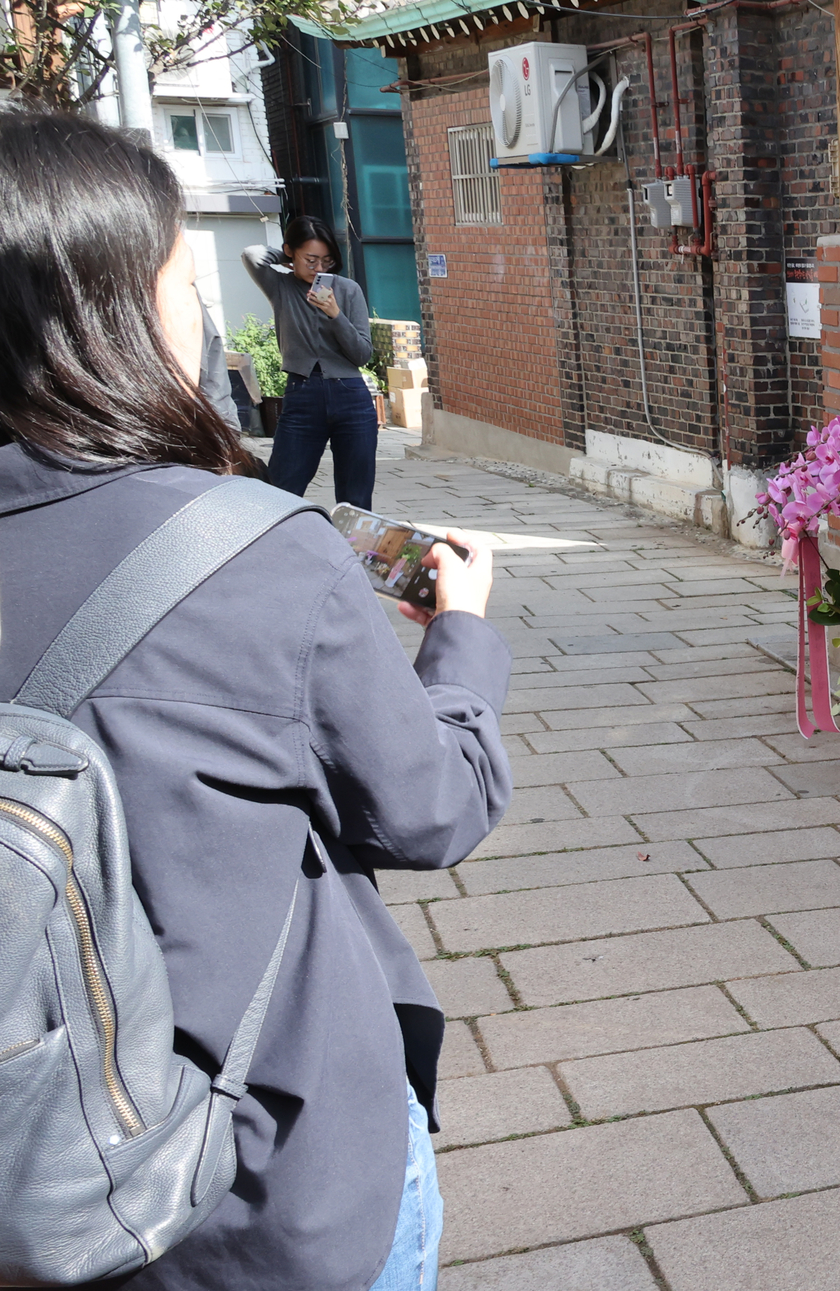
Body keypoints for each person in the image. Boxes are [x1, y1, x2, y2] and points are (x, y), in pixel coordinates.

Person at [0, 108, 513, 1290]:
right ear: (118, 308)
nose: (207, 315)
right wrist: (465, 640)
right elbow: (431, 808)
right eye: (185, 280)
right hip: (260, 1175)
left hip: (37, 1183)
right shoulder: (251, 549)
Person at [243, 216, 379, 507]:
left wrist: (335, 314)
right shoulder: (280, 286)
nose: (319, 269)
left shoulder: (348, 290)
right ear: (291, 252)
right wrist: (288, 256)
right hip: (302, 396)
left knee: (355, 498)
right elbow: (251, 255)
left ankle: (351, 553)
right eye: (311, 260)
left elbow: (362, 354)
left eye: (326, 261)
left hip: (352, 398)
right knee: (281, 489)